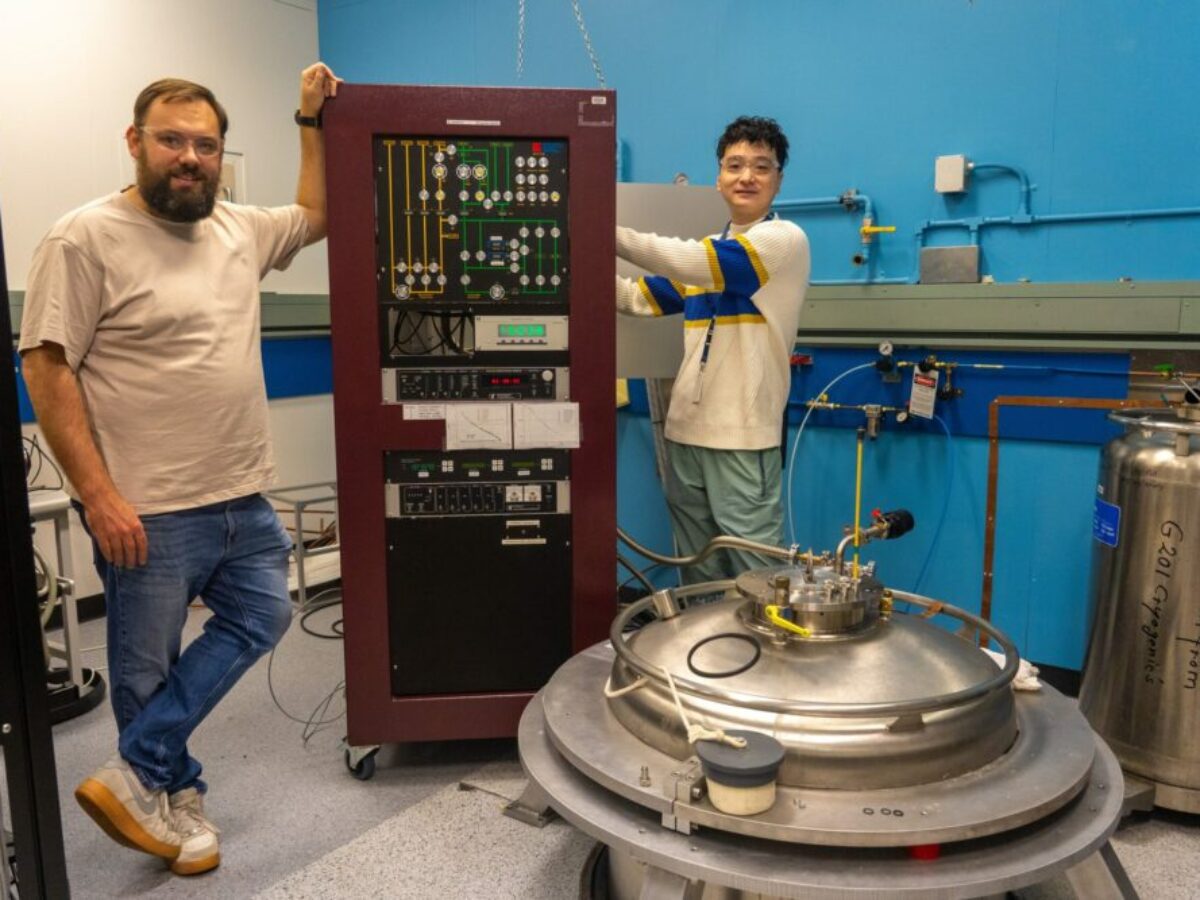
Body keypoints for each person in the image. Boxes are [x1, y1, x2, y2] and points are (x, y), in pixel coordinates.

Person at [19, 62, 341, 875]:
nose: (189, 157)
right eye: (172, 140)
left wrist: (309, 119)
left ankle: (140, 769)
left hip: (242, 494)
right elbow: (46, 368)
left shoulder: (239, 229)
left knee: (262, 615)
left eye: (205, 144)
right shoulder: (83, 237)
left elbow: (317, 213)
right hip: (147, 505)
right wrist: (98, 497)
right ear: (135, 142)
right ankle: (173, 793)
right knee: (145, 667)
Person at [616, 116, 810, 584]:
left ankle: (760, 639)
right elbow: (637, 299)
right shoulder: (711, 254)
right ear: (719, 177)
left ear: (779, 180)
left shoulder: (782, 241)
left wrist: (602, 228)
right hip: (684, 435)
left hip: (741, 439)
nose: (747, 177)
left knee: (756, 577)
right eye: (734, 165)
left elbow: (699, 264)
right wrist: (562, 255)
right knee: (697, 574)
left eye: (761, 166)